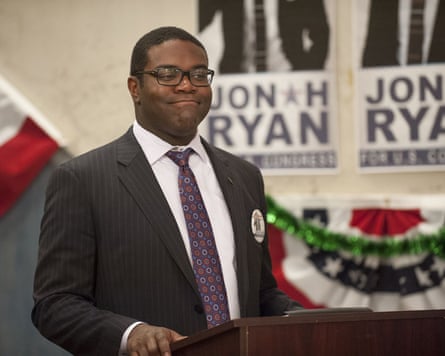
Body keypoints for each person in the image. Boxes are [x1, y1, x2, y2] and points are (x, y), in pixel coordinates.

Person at [32, 26, 302, 355]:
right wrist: (130, 334)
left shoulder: (244, 177)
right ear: (135, 88)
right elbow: (55, 305)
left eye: (199, 74)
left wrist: (308, 320)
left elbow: (259, 293)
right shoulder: (82, 179)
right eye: (168, 74)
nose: (187, 84)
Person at [198, 0, 330, 73]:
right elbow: (197, 21)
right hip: (239, 78)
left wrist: (309, 71)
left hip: (289, 76)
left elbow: (320, 33)